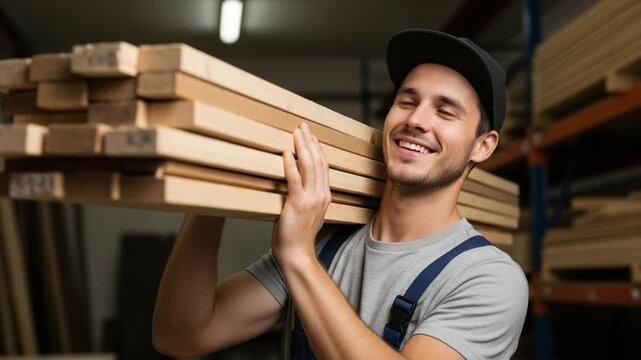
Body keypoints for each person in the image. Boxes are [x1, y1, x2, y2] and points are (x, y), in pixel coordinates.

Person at [152, 29, 528, 360]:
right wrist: (207, 190)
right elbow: (181, 336)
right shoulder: (327, 245)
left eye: (445, 112)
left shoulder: (487, 278)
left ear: (483, 146)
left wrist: (298, 256)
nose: (416, 120)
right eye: (407, 101)